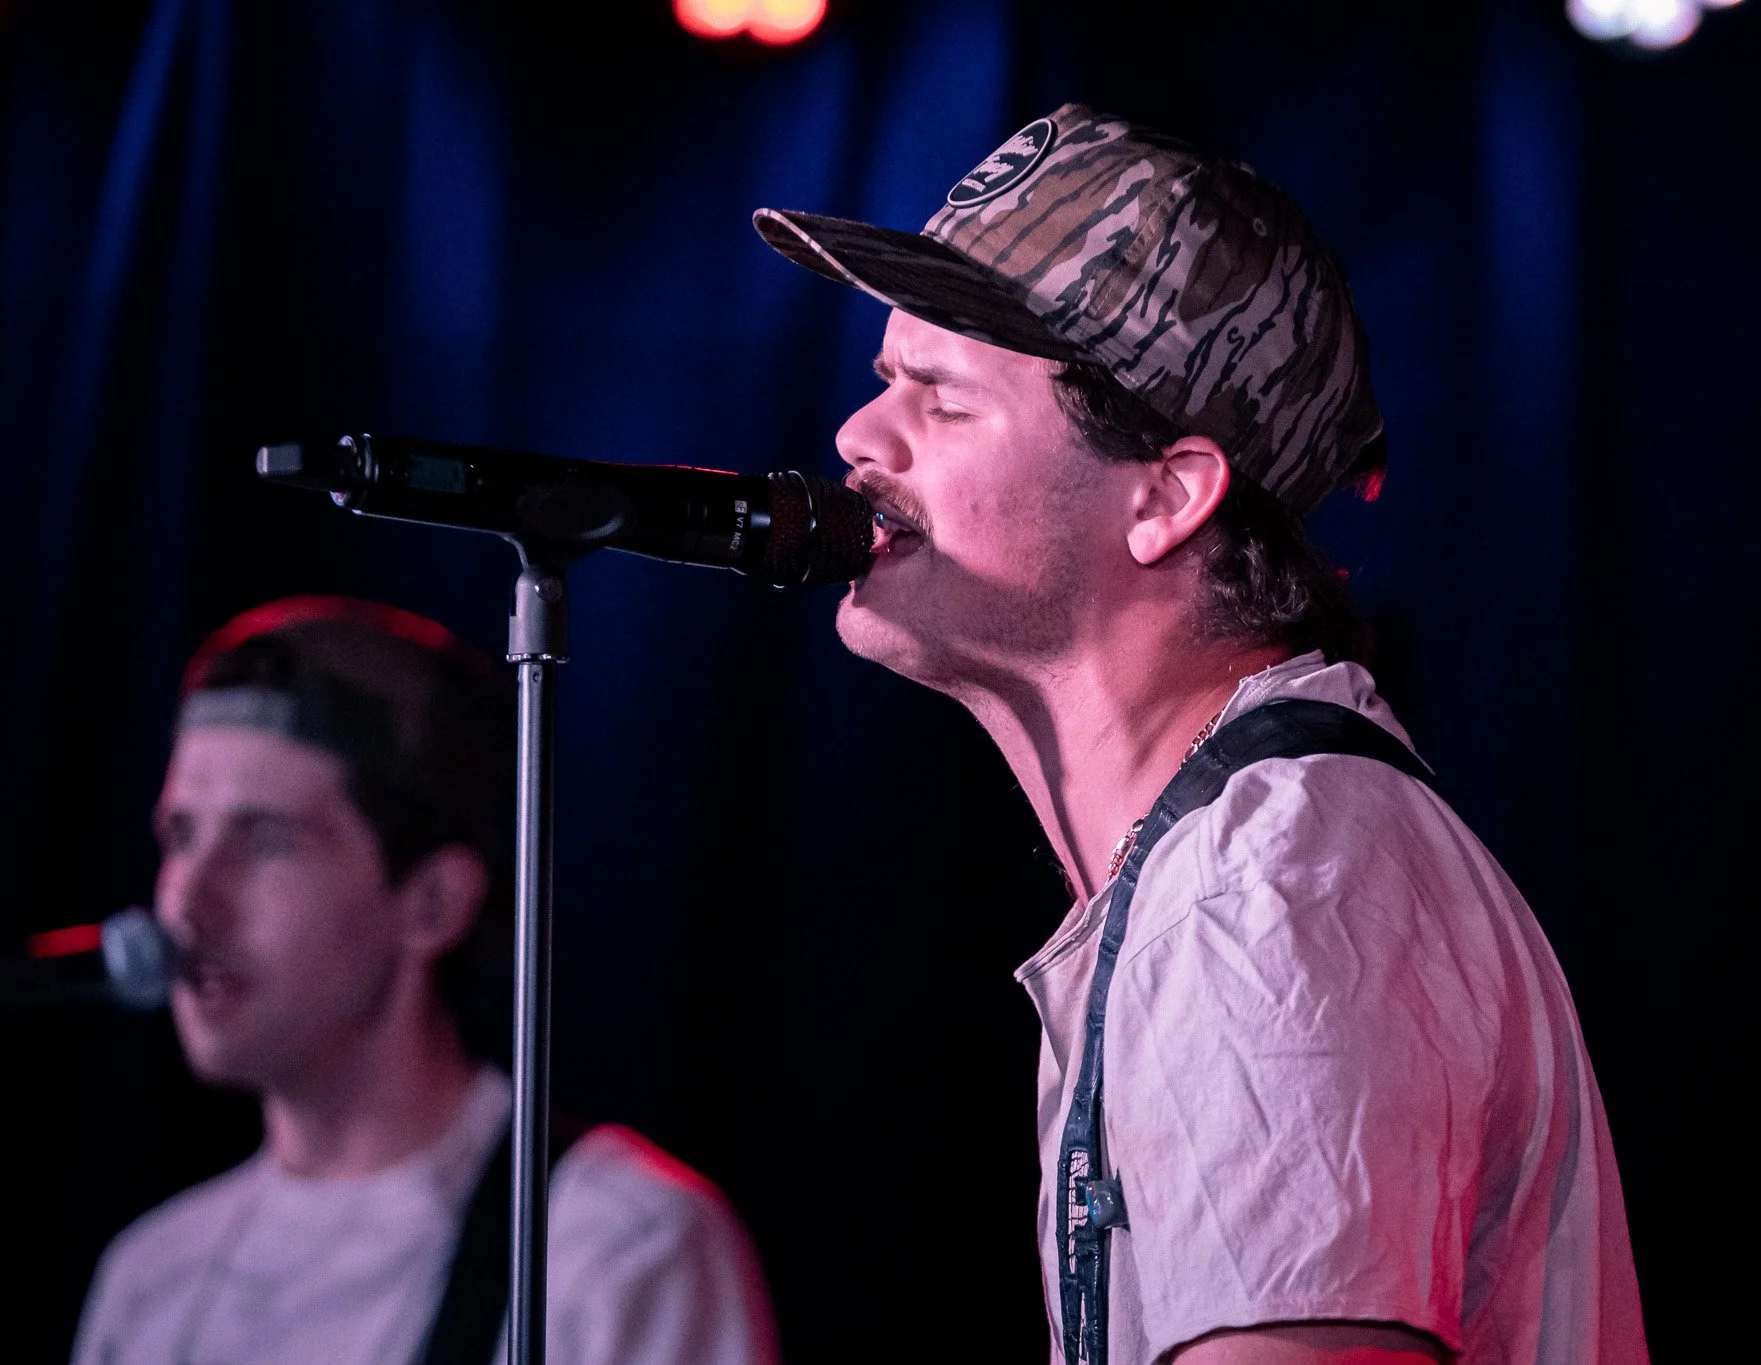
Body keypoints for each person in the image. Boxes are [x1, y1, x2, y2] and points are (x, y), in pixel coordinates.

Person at [752, 106, 1649, 1364]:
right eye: (883, 380)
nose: (857, 437)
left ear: (1166, 495)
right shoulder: (1227, 868)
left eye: (941, 400)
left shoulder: (1265, 892)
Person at [73, 597, 779, 1365]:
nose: (185, 903)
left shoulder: (613, 1250)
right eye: (180, 836)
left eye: (266, 840)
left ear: (434, 902)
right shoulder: (149, 1277)